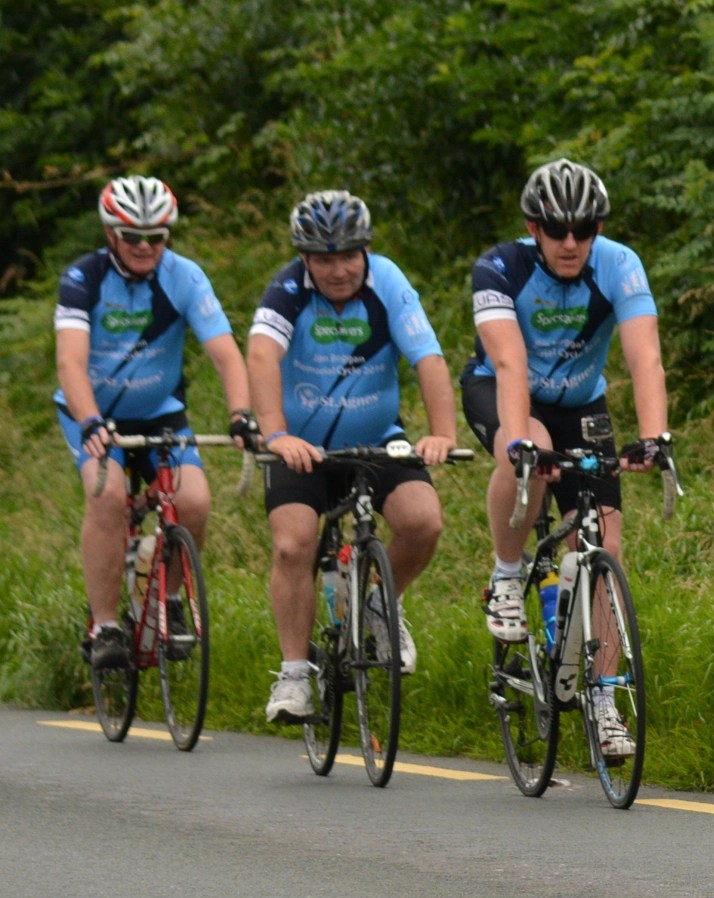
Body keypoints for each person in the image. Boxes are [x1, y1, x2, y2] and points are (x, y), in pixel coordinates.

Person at [460, 158, 671, 757]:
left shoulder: (619, 264)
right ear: (534, 228)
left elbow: (645, 357)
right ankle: (507, 574)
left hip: (581, 404)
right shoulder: (500, 268)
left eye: (584, 229)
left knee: (604, 543)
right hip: (502, 389)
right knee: (522, 449)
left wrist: (654, 437)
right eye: (557, 230)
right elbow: (509, 362)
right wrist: (521, 443)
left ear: (598, 228)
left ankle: (604, 698)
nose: (571, 242)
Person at [249, 190, 457, 721]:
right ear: (304, 258)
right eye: (323, 259)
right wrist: (276, 435)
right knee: (293, 545)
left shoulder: (387, 281)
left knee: (423, 521)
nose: (338, 270)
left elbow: (428, 358)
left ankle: (378, 603)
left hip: (378, 439)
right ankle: (295, 674)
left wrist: (441, 433)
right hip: (303, 448)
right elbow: (262, 355)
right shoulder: (287, 289)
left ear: (365, 250)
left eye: (348, 256)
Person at [55, 175, 253, 671]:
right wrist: (90, 421)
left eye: (156, 236)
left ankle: (171, 600)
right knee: (106, 497)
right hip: (93, 413)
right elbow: (70, 362)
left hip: (161, 411)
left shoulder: (185, 277)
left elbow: (225, 354)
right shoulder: (82, 279)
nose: (144, 246)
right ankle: (106, 626)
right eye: (132, 236)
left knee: (194, 501)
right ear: (110, 234)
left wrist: (240, 413)